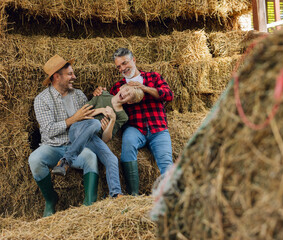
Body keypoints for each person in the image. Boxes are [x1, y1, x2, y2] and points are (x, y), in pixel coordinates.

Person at [94, 48, 174, 196]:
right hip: (135, 128)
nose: (123, 68)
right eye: (119, 66)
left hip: (158, 128)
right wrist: (100, 93)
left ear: (134, 60)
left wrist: (144, 88)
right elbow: (108, 102)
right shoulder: (118, 87)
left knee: (166, 160)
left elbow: (169, 95)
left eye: (125, 63)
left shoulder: (153, 77)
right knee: (127, 150)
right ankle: (133, 195)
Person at [28, 54, 99, 217]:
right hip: (52, 146)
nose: (74, 77)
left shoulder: (79, 95)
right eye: (70, 74)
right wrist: (73, 119)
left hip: (75, 146)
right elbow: (49, 130)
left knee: (90, 158)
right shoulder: (42, 100)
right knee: (34, 159)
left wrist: (99, 98)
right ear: (56, 77)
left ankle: (89, 206)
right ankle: (51, 199)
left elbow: (87, 121)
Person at [51, 87, 143, 198]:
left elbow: (105, 139)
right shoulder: (102, 95)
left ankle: (115, 193)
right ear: (122, 88)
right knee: (96, 123)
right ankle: (66, 160)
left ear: (130, 101)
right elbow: (80, 114)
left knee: (112, 159)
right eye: (126, 90)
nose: (125, 94)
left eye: (129, 95)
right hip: (77, 129)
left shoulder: (123, 116)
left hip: (92, 138)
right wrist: (101, 110)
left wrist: (112, 120)